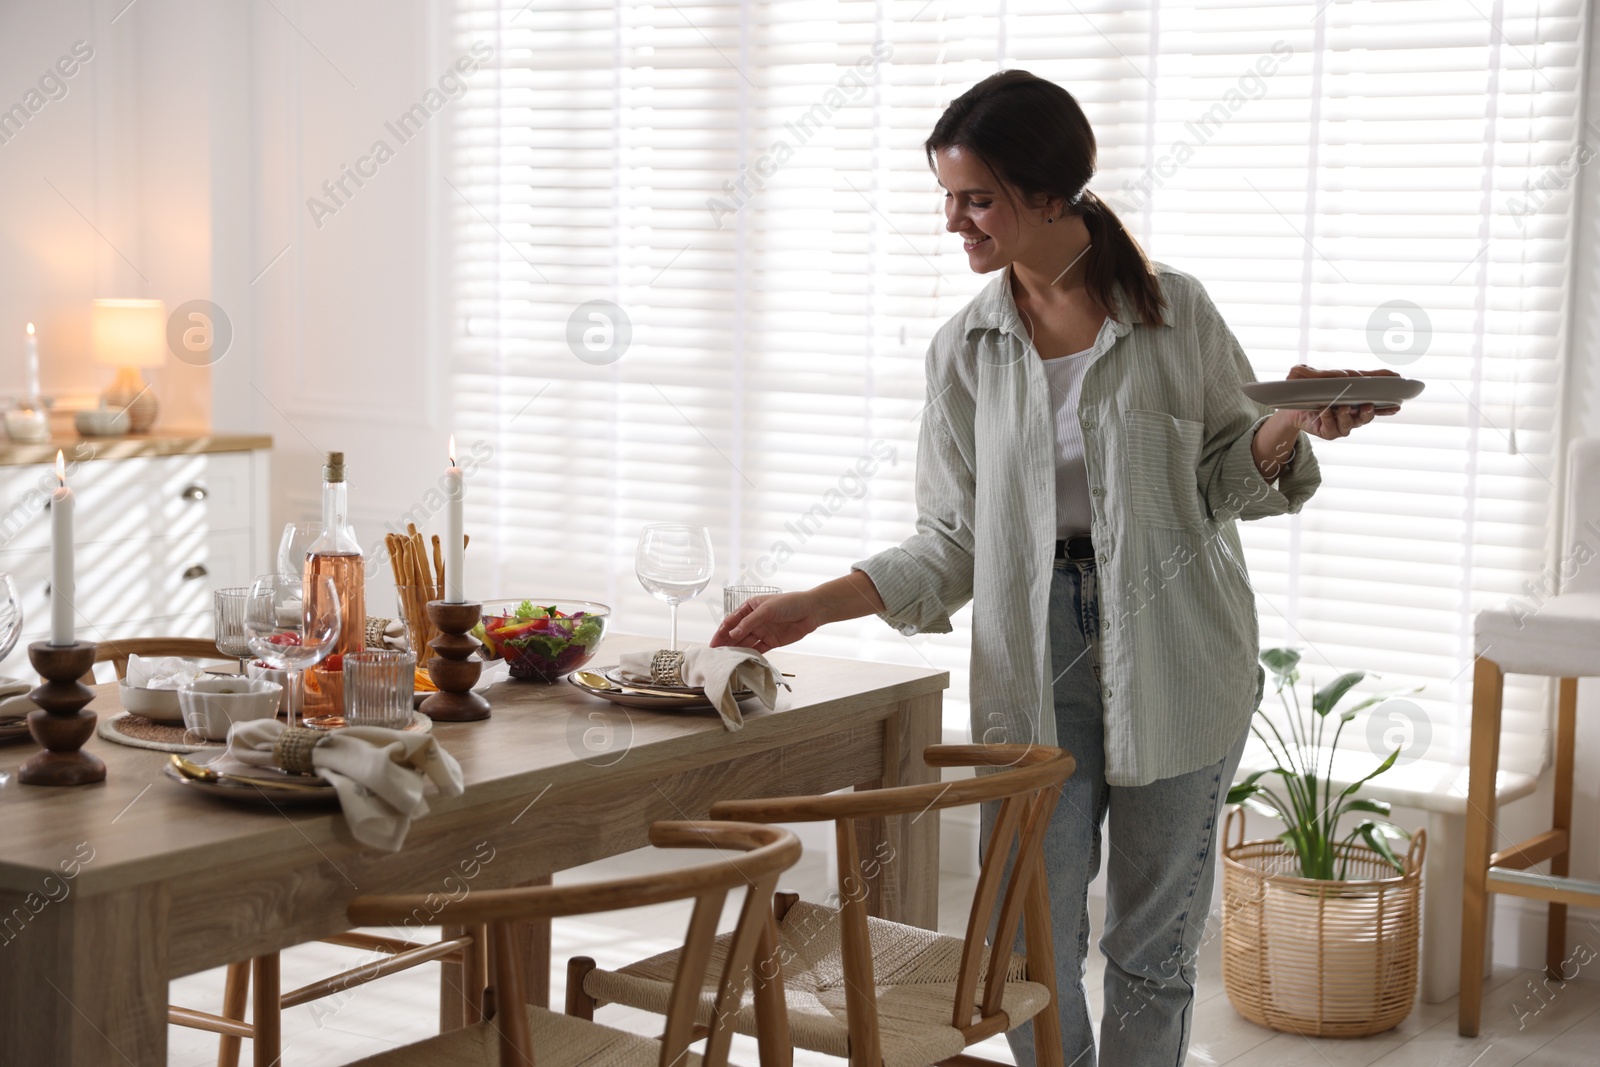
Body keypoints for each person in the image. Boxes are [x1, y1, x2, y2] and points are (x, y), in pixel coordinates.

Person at [711, 70, 1394, 1067]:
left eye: (975, 197)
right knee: (1027, 940)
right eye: (946, 196)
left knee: (1151, 946)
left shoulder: (1176, 314)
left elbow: (1226, 483)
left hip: (1182, 644)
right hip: (1031, 660)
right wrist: (817, 603)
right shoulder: (964, 351)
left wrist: (1289, 422)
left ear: (1047, 193)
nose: (954, 221)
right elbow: (952, 538)